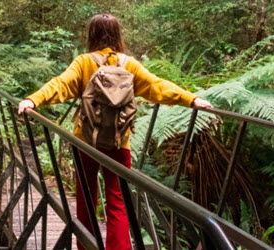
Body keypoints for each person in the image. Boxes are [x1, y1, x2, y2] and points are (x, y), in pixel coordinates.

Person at [16, 14, 212, 250]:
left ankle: (87, 247)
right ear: (118, 35)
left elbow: (60, 84)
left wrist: (32, 100)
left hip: (85, 142)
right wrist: (191, 99)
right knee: (118, 203)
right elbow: (157, 86)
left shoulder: (83, 62)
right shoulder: (129, 64)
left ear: (92, 35)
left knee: (86, 201)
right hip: (119, 143)